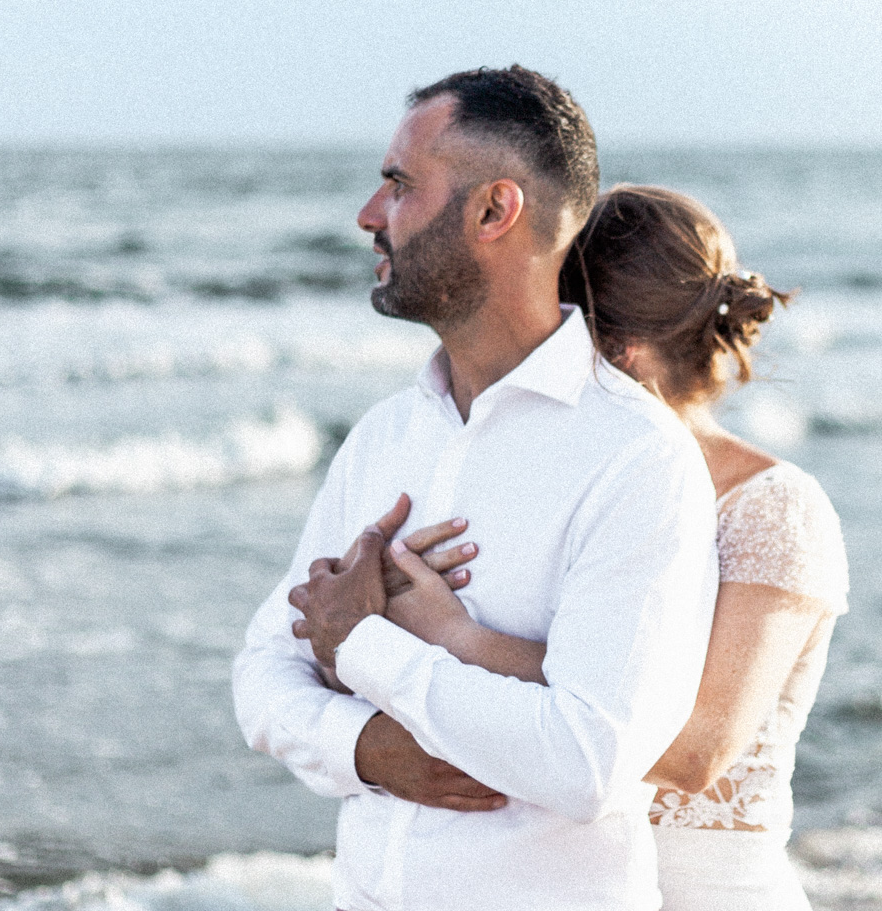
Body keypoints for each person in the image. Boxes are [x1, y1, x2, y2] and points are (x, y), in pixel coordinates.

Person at [232, 68, 720, 911]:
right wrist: (368, 749)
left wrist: (364, 646)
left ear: (495, 211)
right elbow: (262, 673)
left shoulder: (638, 459)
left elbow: (589, 762)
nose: (369, 216)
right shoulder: (387, 435)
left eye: (399, 186)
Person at [364, 185, 849, 911]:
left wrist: (457, 637)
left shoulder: (773, 508)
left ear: (615, 349)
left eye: (554, 331)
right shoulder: (555, 486)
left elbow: (696, 752)